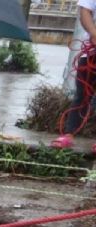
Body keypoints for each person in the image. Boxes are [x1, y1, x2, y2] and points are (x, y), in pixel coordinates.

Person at [52, 0, 96, 151]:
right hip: (92, 52)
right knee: (82, 95)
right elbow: (85, 10)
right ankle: (69, 134)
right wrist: (94, 33)